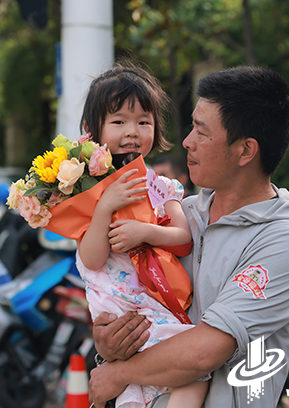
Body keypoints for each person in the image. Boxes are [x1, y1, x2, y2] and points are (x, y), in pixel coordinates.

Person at [89, 65, 289, 408]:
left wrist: (118, 374)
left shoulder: (285, 241)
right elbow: (128, 297)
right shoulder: (177, 216)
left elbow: (205, 352)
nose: (187, 142)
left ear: (245, 151)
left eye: (201, 131)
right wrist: (109, 341)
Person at [75, 64, 208, 408]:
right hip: (118, 310)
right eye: (119, 121)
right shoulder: (85, 192)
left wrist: (145, 232)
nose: (132, 132)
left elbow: (183, 239)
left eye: (144, 122)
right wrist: (105, 206)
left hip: (157, 301)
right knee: (161, 380)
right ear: (91, 129)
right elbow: (91, 259)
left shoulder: (161, 186)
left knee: (191, 373)